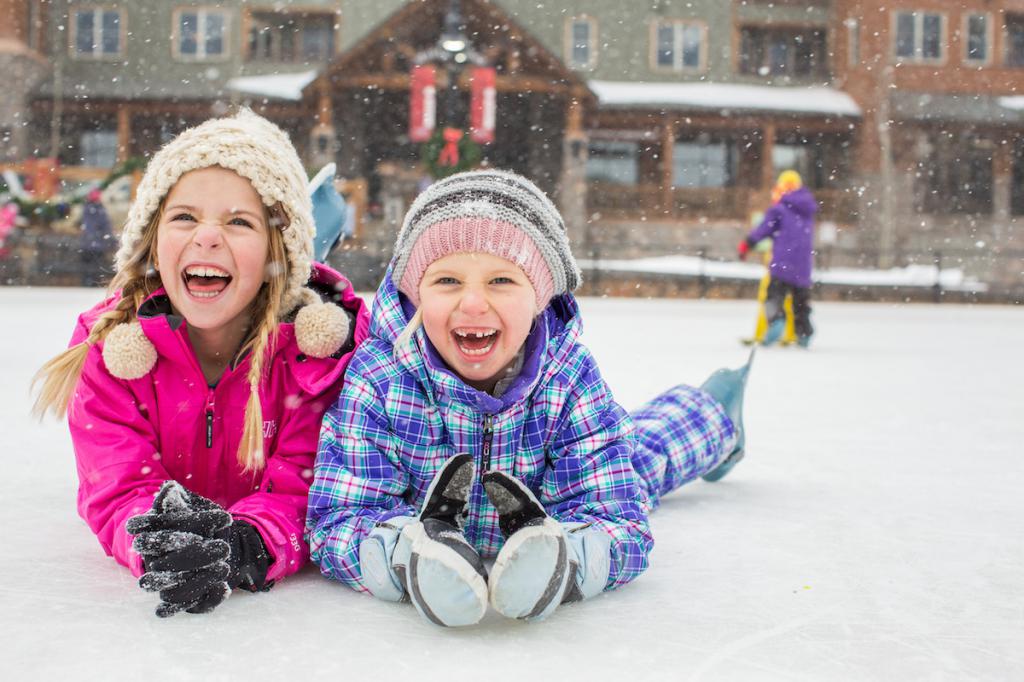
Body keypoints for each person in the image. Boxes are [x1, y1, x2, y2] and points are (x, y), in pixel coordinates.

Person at [306, 170, 752, 627]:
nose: (474, 304)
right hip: (428, 521)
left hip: (554, 495)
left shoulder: (568, 375)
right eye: (447, 281)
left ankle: (717, 411)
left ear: (539, 296)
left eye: (501, 280)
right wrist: (405, 555)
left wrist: (569, 559)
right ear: (414, 294)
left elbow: (617, 518)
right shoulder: (381, 377)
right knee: (636, 451)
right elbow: (341, 515)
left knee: (643, 462)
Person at [32, 110, 370, 618]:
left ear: (277, 250)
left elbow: (307, 484)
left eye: (239, 222)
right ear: (153, 239)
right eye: (184, 217)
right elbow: (118, 484)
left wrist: (248, 543)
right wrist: (158, 538)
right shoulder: (113, 351)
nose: (207, 237)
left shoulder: (317, 357)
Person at [738, 170, 817, 347]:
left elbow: (763, 230)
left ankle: (775, 321)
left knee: (773, 295)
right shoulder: (807, 209)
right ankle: (803, 333)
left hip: (782, 261)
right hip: (804, 266)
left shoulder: (779, 209)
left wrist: (746, 245)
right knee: (800, 303)